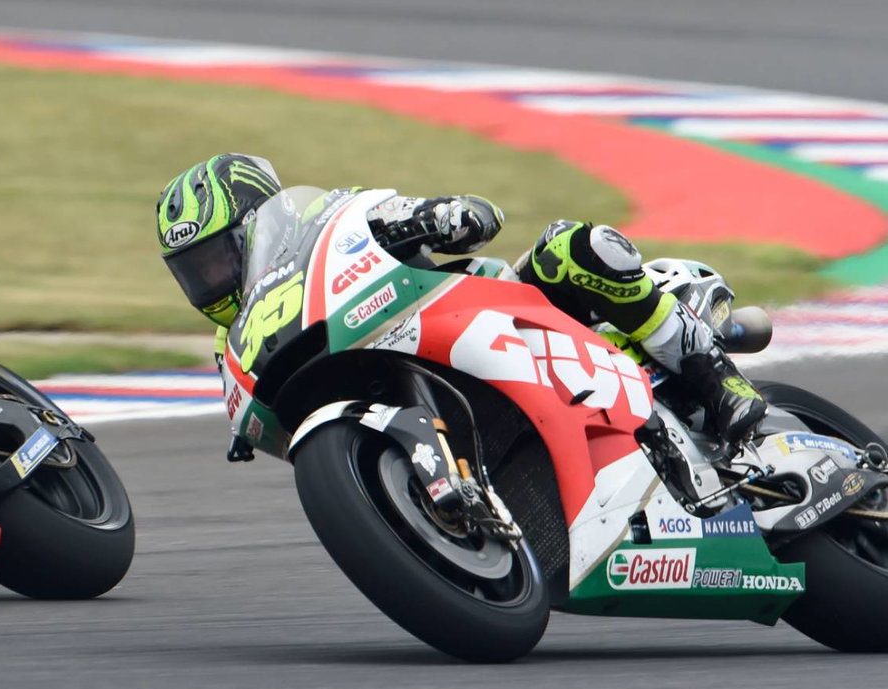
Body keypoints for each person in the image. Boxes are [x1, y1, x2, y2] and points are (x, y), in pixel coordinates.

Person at [154, 153, 766, 461]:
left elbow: (474, 217)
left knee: (573, 248)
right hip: (409, 396)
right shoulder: (234, 347)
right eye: (193, 275)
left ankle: (718, 382)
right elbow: (265, 432)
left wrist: (441, 217)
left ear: (257, 226)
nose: (209, 284)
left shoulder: (331, 225)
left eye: (214, 262)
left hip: (497, 316)